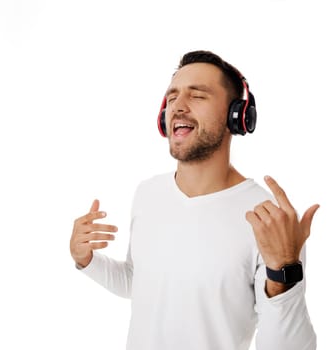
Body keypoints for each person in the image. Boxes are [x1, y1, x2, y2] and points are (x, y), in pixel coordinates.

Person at [69, 50, 319, 350]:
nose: (178, 107)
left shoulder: (268, 220)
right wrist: (85, 259)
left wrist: (284, 274)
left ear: (236, 116)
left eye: (197, 96)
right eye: (172, 97)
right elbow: (139, 283)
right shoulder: (148, 193)